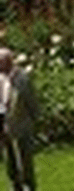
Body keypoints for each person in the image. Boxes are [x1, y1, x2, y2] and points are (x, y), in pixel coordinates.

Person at [0, 48, 40, 191]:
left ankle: (29, 186)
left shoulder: (23, 78)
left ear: (8, 62)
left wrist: (34, 121)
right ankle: (15, 186)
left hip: (21, 126)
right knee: (10, 161)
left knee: (25, 161)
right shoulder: (0, 78)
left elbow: (32, 103)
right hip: (4, 126)